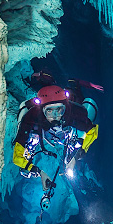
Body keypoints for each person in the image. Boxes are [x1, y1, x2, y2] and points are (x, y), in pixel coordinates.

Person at [12, 76, 100, 211]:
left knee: (85, 119)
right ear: (42, 110)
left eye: (59, 110)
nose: (55, 116)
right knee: (25, 123)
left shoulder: (75, 113)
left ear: (66, 107)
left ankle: (74, 84)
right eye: (49, 110)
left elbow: (92, 131)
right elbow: (17, 156)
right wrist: (38, 171)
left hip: (66, 126)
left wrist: (77, 155)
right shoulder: (31, 118)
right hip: (40, 129)